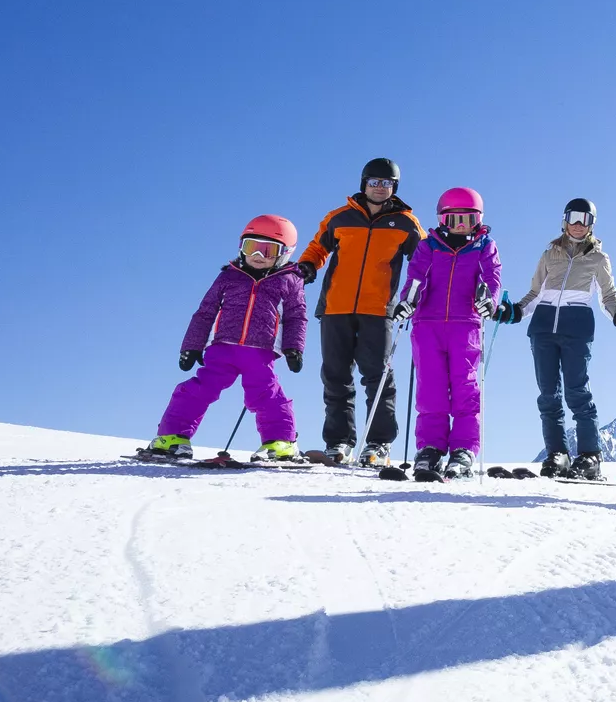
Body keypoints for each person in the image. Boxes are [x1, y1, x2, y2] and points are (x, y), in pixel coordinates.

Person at [497, 198, 616, 480]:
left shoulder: (599, 258)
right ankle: (558, 454)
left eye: (584, 219)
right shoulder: (551, 254)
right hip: (543, 329)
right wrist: (514, 312)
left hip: (577, 328)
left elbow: (608, 296)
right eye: (573, 217)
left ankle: (589, 456)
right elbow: (535, 293)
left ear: (591, 225)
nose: (578, 224)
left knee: (577, 393)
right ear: (564, 220)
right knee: (548, 395)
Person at [146, 216, 307, 462]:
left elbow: (296, 317)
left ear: (284, 253)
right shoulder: (229, 277)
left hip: (260, 352)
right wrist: (191, 346)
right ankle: (172, 437)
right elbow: (205, 312)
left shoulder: (289, 281)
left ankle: (280, 442)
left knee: (266, 394)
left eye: (267, 250)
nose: (258, 256)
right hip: (222, 349)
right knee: (199, 389)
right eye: (251, 247)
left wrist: (294, 348)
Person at [297, 157, 425, 467]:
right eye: (374, 182)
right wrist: (307, 265)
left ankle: (378, 443)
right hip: (335, 307)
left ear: (394, 187)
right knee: (336, 375)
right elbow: (318, 247)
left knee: (378, 376)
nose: (380, 188)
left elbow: (424, 261)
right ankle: (339, 441)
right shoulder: (340, 218)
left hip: (378, 310)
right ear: (363, 184)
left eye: (387, 183)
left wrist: (415, 294)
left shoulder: (406, 223)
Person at [393, 187, 501, 480]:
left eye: (467, 219)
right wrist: (408, 300)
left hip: (465, 325)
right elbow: (416, 277)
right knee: (431, 389)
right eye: (454, 220)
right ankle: (430, 447)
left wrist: (488, 299)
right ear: (443, 220)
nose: (461, 226)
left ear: (478, 220)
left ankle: (463, 448)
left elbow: (491, 278)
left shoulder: (484, 246)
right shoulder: (429, 246)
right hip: (427, 324)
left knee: (465, 387)